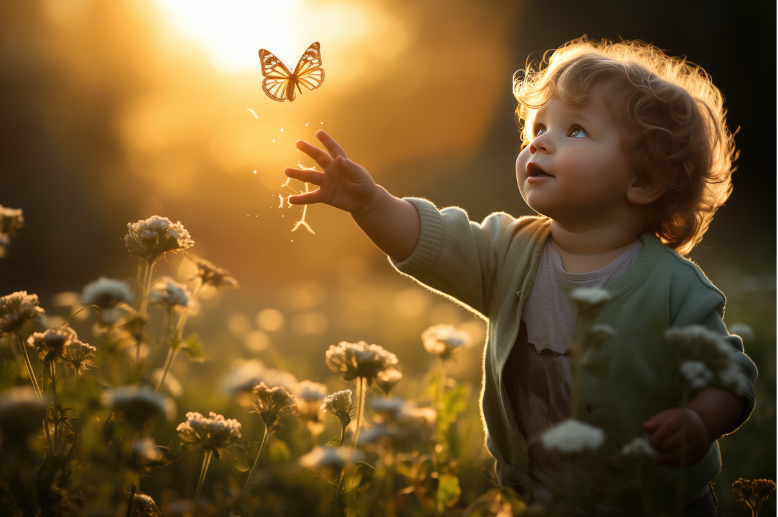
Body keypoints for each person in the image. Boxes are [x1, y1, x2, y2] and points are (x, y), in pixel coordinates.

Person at [283, 37, 757, 516]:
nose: (540, 141)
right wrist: (370, 204)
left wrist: (699, 419)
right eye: (538, 126)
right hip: (543, 496)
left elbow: (729, 377)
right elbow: (429, 240)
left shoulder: (674, 288)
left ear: (643, 181)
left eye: (575, 130)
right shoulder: (509, 251)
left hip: (660, 503)